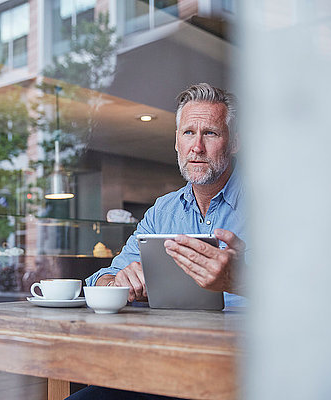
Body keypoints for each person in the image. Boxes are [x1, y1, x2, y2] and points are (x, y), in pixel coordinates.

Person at [67, 83, 247, 400]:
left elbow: (313, 296)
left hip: (243, 371)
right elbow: (103, 278)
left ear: (234, 143)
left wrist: (242, 280)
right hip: (162, 365)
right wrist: (117, 282)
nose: (197, 147)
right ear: (176, 143)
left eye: (211, 134)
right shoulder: (162, 211)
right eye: (189, 133)